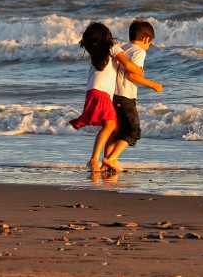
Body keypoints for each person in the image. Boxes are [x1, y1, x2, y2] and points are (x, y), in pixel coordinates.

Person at [69, 22, 144, 172]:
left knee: (114, 128)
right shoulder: (112, 48)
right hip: (101, 93)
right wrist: (140, 71)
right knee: (110, 126)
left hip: (93, 92)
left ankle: (106, 163)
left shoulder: (96, 54)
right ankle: (93, 159)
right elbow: (128, 65)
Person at [102, 19, 163, 172]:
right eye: (149, 44)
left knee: (117, 131)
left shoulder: (122, 47)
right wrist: (152, 84)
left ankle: (105, 164)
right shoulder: (139, 51)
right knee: (133, 131)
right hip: (125, 97)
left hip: (113, 95)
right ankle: (111, 159)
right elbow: (131, 75)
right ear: (146, 39)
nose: (148, 47)